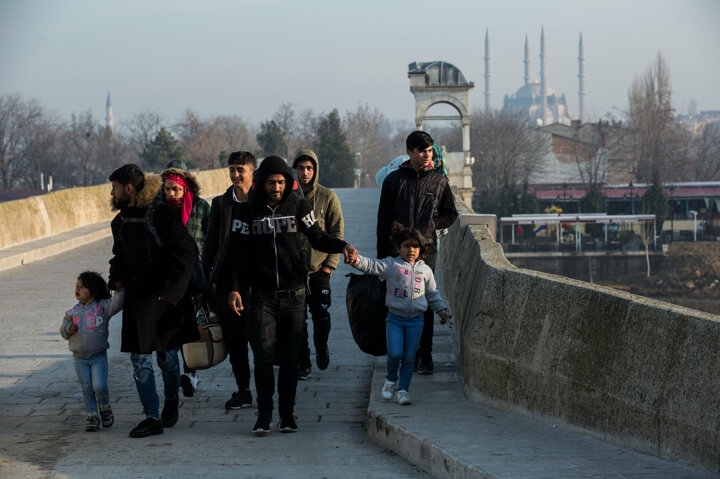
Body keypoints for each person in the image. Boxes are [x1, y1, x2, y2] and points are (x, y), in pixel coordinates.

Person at [227, 155, 357, 435]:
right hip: (261, 296)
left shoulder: (298, 204)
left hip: (294, 295)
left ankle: (287, 415)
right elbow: (236, 253)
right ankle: (264, 416)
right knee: (262, 356)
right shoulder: (248, 210)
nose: (276, 188)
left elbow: (318, 236)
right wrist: (234, 288)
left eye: (282, 182)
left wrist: (343, 245)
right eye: (272, 182)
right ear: (261, 182)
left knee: (289, 359)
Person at [108, 164, 199, 438]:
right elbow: (119, 257)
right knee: (140, 361)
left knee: (168, 359)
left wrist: (171, 291)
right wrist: (116, 278)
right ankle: (151, 416)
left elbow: (186, 254)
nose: (111, 193)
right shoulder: (120, 222)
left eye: (114, 187)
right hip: (138, 303)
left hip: (166, 302)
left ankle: (171, 403)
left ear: (129, 188)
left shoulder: (163, 215)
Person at [377, 130, 458, 375]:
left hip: (426, 250)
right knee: (398, 302)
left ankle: (426, 356)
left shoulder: (439, 182)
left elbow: (451, 214)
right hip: (397, 250)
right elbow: (383, 220)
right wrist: (383, 255)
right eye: (421, 151)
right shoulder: (394, 181)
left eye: (429, 151)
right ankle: (403, 354)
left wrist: (432, 225)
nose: (426, 155)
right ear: (410, 152)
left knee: (423, 299)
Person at [351, 223, 448, 405]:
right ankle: (390, 380)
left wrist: (441, 310)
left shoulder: (425, 270)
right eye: (407, 246)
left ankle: (403, 390)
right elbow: (372, 265)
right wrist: (356, 261)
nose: (411, 250)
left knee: (409, 357)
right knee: (395, 353)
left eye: (415, 246)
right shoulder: (391, 265)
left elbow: (432, 293)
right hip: (395, 319)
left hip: (416, 322)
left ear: (421, 249)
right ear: (398, 248)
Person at [202, 151, 256, 410]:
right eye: (232, 169)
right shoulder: (221, 204)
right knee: (235, 340)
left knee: (260, 338)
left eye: (240, 169)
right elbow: (210, 245)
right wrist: (203, 280)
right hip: (227, 283)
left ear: (252, 172)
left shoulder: (262, 201)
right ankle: (243, 390)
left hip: (257, 281)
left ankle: (267, 392)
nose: (235, 175)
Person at [160, 160, 211, 397]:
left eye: (175, 189)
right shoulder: (158, 210)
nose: (170, 193)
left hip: (195, 276)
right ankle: (179, 373)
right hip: (169, 278)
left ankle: (190, 372)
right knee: (174, 327)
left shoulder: (200, 207)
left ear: (185, 187)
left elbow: (211, 239)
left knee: (191, 325)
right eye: (166, 188)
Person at [292, 149, 344, 379]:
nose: (305, 172)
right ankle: (303, 360)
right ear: (295, 170)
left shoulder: (327, 196)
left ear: (315, 170)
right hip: (293, 270)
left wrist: (329, 266)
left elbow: (336, 231)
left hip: (320, 268)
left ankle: (321, 349)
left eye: (309, 168)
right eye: (301, 168)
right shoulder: (289, 197)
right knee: (297, 319)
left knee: (321, 315)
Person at [60, 272, 124, 431]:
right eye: (77, 286)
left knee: (100, 386)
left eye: (82, 287)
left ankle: (104, 406)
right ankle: (92, 416)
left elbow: (117, 303)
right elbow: (63, 331)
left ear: (94, 290)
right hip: (79, 358)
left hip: (98, 357)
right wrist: (69, 328)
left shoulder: (102, 307)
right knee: (87, 388)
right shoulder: (72, 312)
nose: (78, 289)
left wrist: (120, 290)